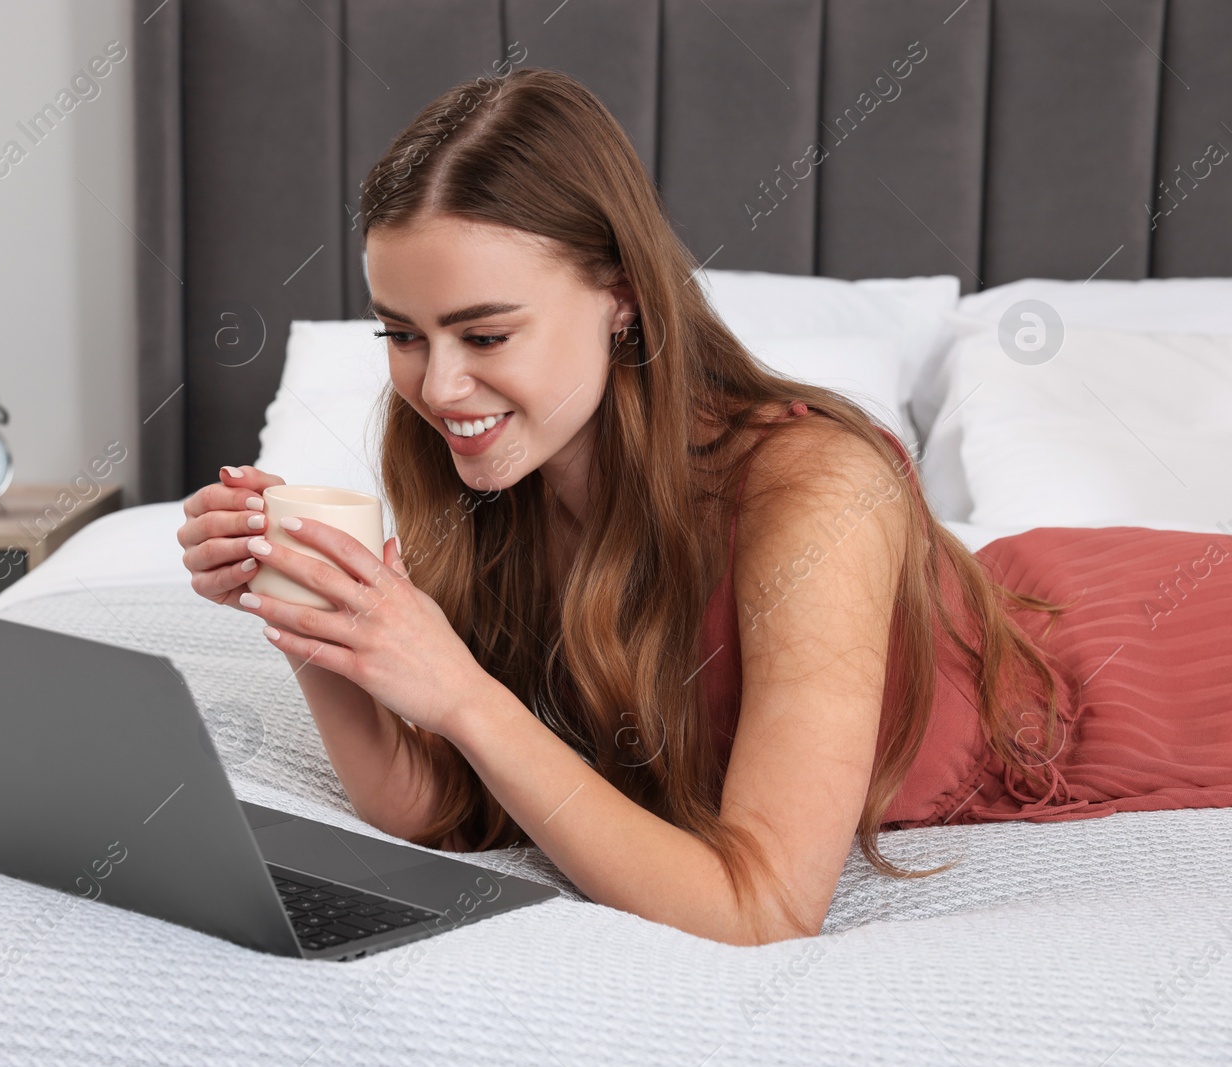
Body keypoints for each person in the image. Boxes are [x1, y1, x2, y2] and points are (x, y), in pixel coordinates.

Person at [176, 69, 1232, 946]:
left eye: (487, 336)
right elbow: (441, 806)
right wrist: (314, 621)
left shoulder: (820, 492)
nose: (439, 386)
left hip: (1157, 655)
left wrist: (457, 689)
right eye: (399, 333)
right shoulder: (474, 468)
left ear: (622, 298)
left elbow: (763, 907)